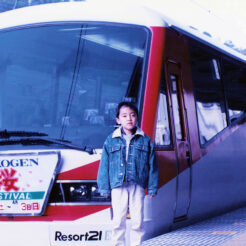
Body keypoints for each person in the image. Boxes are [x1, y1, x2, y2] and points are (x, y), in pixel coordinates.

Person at [97, 101, 159, 246]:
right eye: (124, 116)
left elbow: (152, 165)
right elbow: (104, 164)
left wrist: (152, 187)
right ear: (118, 120)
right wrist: (104, 187)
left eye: (132, 115)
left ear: (137, 118)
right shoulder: (110, 140)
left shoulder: (145, 139)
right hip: (118, 186)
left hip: (137, 185)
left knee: (138, 221)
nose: (129, 119)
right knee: (118, 221)